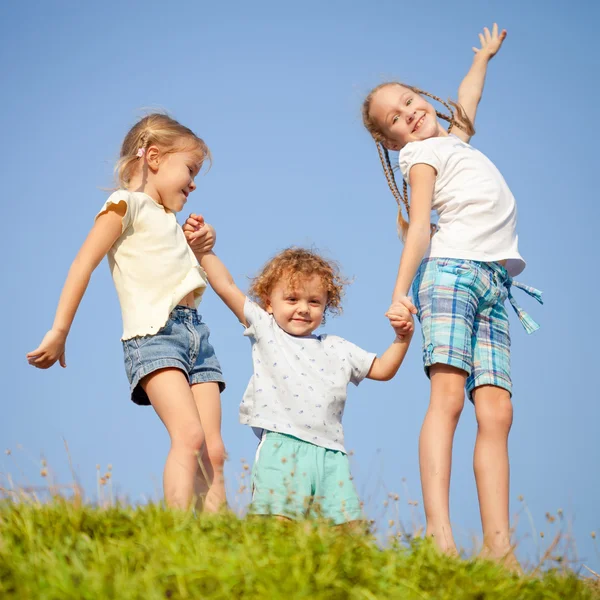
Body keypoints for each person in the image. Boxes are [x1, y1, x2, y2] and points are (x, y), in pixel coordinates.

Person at [361, 25, 542, 562]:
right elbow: (419, 227)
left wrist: (483, 57)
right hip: (451, 273)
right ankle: (441, 541)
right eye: (395, 117)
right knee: (447, 401)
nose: (409, 113)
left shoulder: (451, 143)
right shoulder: (420, 158)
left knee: (498, 413)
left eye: (409, 101)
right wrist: (401, 291)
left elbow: (467, 100)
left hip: (493, 283)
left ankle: (498, 549)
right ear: (392, 140)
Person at [27, 114, 227, 512]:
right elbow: (83, 263)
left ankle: (220, 544)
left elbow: (180, 271)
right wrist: (59, 330)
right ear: (154, 157)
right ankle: (176, 534)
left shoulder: (172, 222)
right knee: (188, 436)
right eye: (189, 169)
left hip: (196, 337)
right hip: (155, 336)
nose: (194, 182)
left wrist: (203, 245)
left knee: (214, 451)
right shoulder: (126, 205)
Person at [182, 229, 413, 526]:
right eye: (291, 299)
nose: (303, 308)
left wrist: (402, 338)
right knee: (277, 527)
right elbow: (226, 286)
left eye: (314, 302)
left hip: (332, 454)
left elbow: (382, 369)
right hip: (282, 446)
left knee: (348, 533)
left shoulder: (338, 348)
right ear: (269, 302)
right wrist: (204, 252)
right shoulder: (266, 330)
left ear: (326, 305)